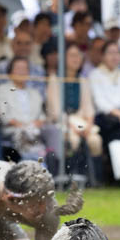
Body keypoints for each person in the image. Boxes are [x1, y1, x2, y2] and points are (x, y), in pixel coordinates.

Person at [45, 44, 102, 180]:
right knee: (73, 139)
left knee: (95, 140)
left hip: (81, 122)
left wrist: (88, 125)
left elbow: (88, 108)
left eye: (78, 56)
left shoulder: (82, 80)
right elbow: (55, 111)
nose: (76, 59)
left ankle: (93, 179)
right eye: (72, 55)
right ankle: (71, 176)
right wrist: (73, 126)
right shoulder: (55, 79)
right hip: (61, 123)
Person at [89, 41, 120, 170]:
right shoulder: (95, 75)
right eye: (110, 53)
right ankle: (116, 173)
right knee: (116, 129)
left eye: (117, 53)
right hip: (105, 117)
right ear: (103, 56)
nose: (114, 57)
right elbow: (101, 103)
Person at [0, 56, 48, 162]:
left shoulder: (35, 93)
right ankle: (32, 164)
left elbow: (42, 116)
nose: (22, 72)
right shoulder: (1, 90)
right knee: (25, 134)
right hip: (13, 131)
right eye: (18, 68)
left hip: (35, 130)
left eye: (25, 69)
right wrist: (24, 126)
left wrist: (33, 125)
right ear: (10, 72)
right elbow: (4, 116)